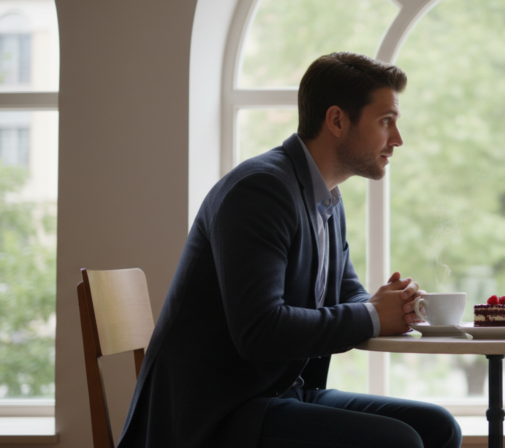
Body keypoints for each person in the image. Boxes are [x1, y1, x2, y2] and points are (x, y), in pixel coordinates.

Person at [117, 52, 461, 448]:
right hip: (214, 415)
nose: (397, 139)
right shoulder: (260, 191)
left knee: (439, 427)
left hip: (278, 395)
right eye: (386, 121)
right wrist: (371, 315)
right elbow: (260, 331)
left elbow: (346, 292)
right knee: (396, 442)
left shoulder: (327, 197)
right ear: (336, 120)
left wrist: (391, 305)